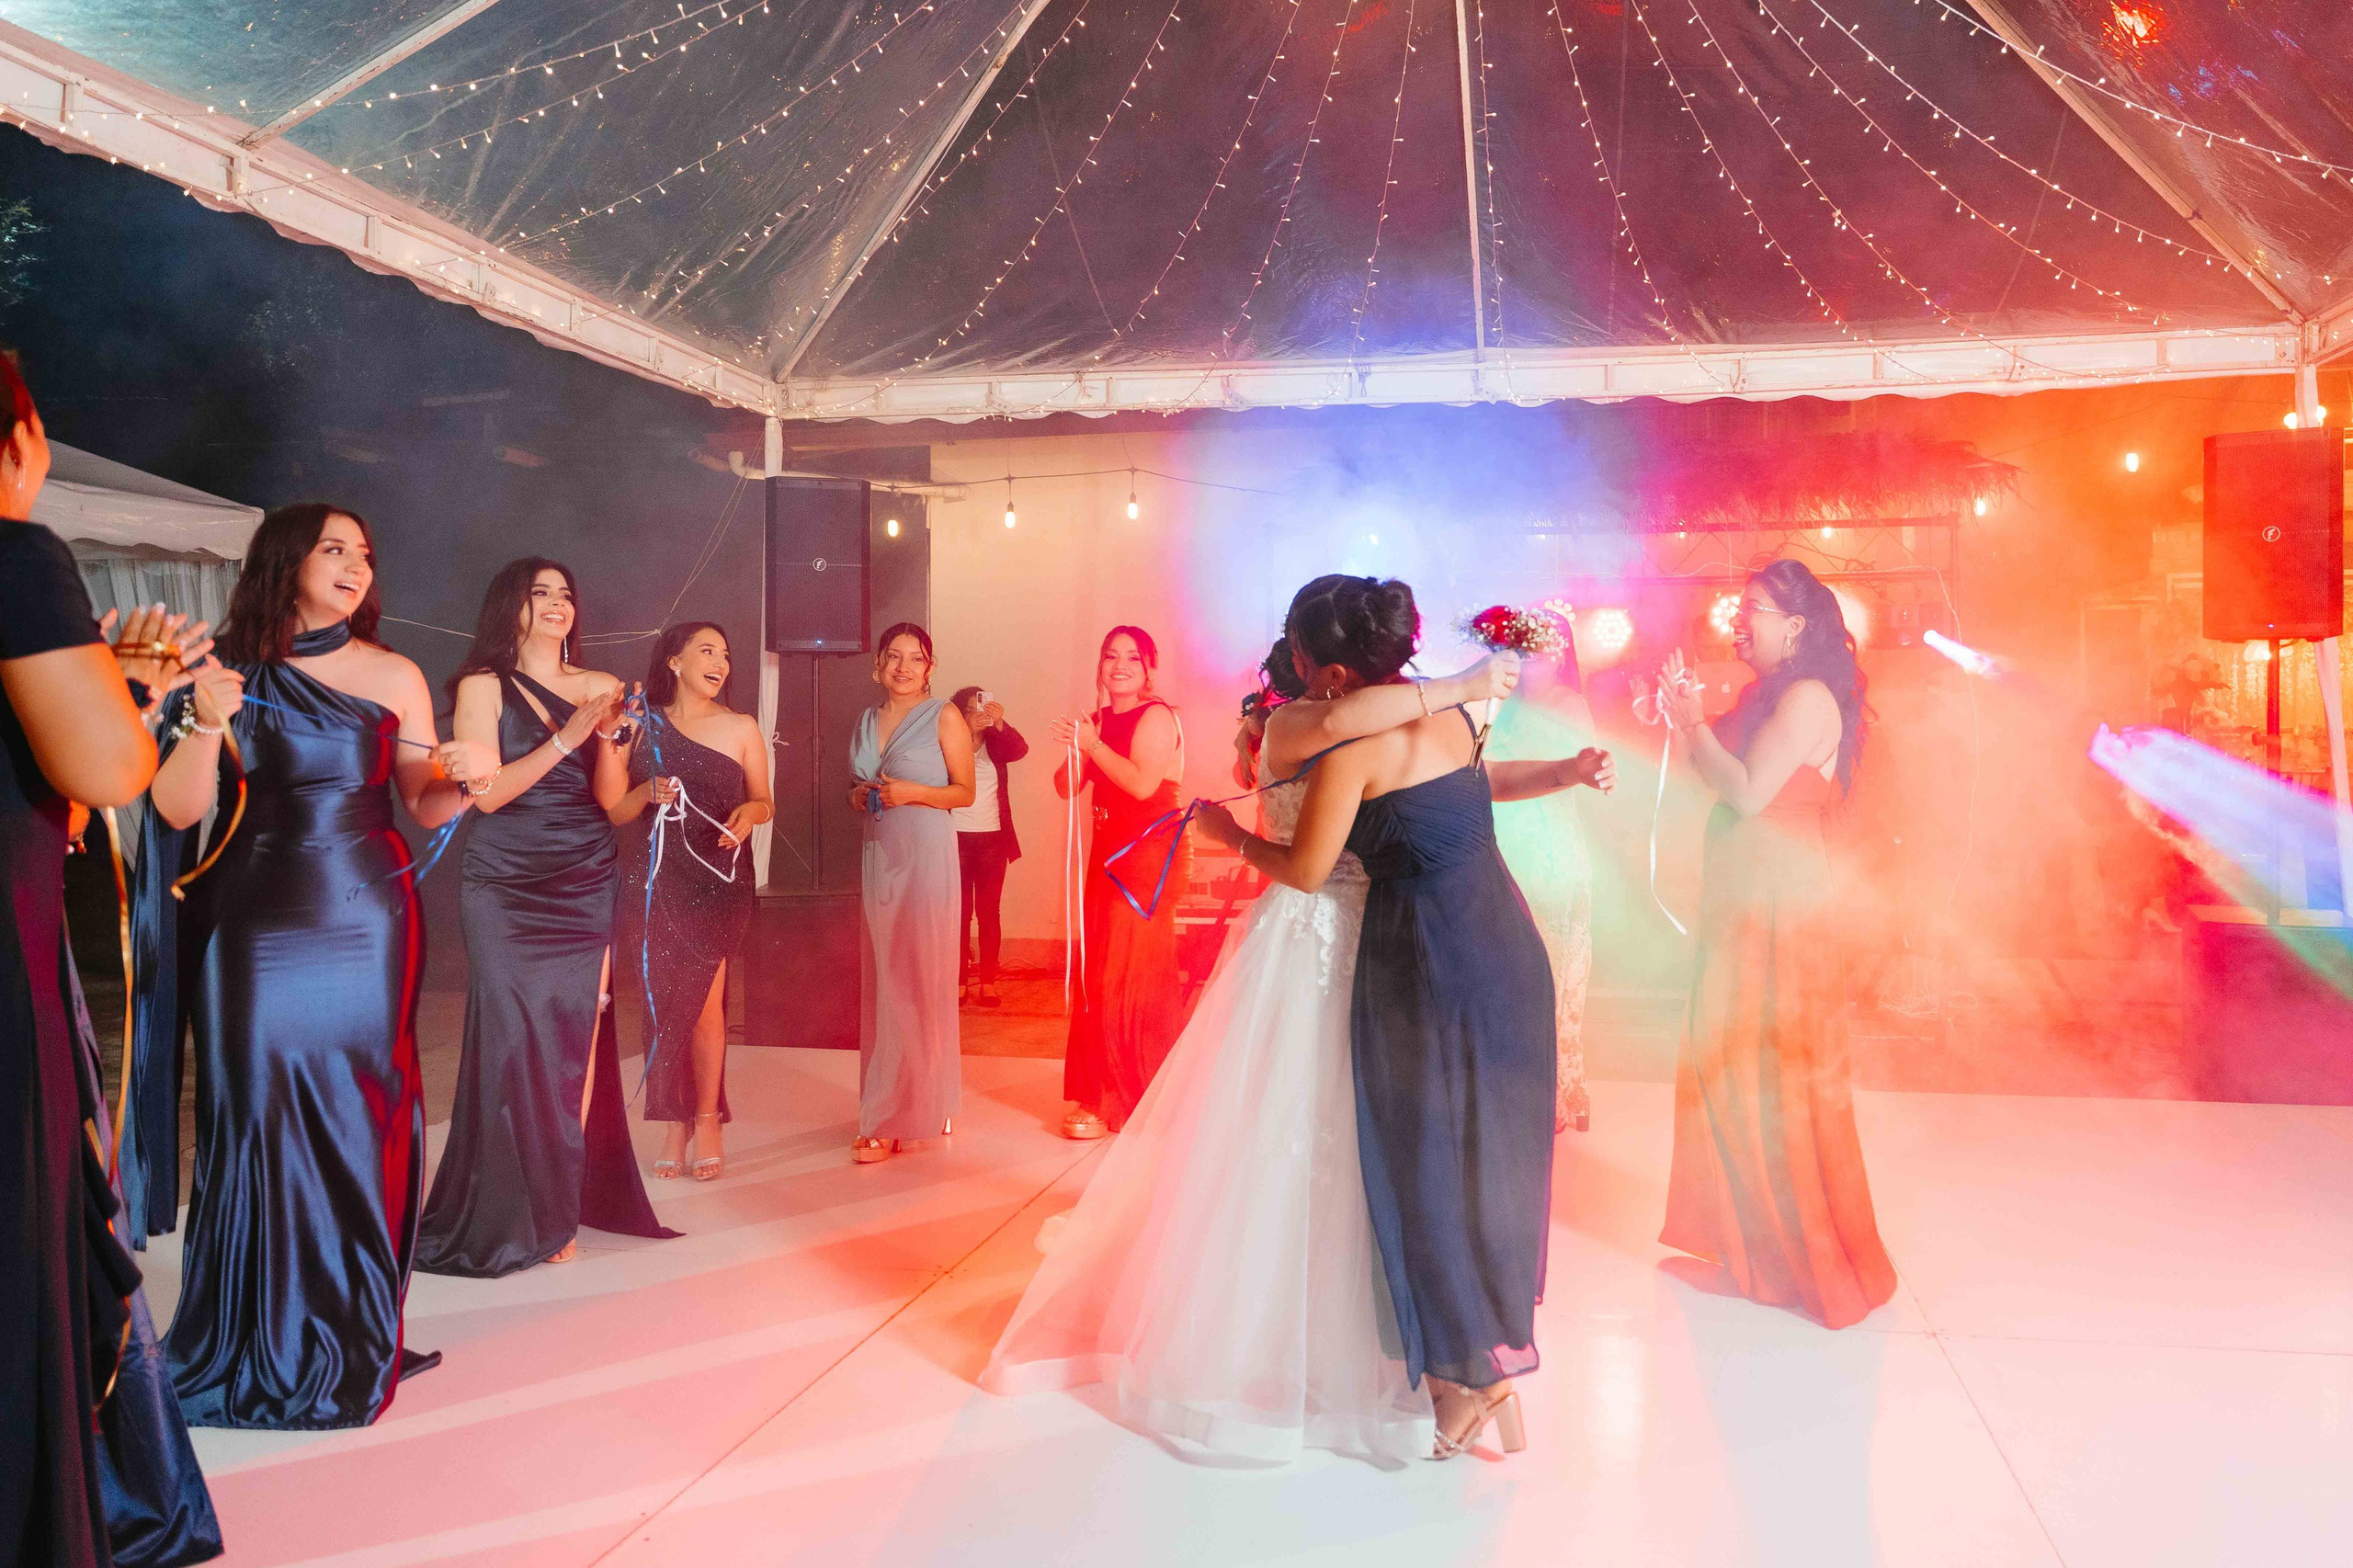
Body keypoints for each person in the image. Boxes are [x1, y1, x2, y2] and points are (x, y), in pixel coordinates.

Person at [985, 606, 1541, 1464]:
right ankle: (1431, 1363)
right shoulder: (1308, 726)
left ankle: (1417, 1360)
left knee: (1330, 1144)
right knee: (1347, 1146)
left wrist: (1226, 834)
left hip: (1350, 939)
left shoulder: (1343, 726)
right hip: (1368, 941)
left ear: (1324, 671)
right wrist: (1465, 691)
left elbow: (1313, 853)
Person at [1191, 575, 1612, 1459]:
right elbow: (1480, 783)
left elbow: (1307, 870)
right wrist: (1569, 773)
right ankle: (1483, 1360)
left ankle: (1474, 1379)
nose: (1296, 673)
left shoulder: (1352, 755)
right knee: (1483, 1166)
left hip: (1424, 959)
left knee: (1421, 1168)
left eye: (1302, 658)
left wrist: (1226, 839)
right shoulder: (1455, 721)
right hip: (1505, 947)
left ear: (1335, 673)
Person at [146, 503, 487, 1430]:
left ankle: (348, 1322)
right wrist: (204, 719)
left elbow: (424, 804)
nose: (355, 566)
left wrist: (466, 775)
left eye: (366, 555)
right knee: (250, 1110)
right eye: (334, 548)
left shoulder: (395, 672)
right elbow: (179, 812)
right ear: (284, 558)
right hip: (251, 915)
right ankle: (248, 1334)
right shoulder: (217, 665)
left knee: (356, 1109)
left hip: (366, 912)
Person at [0, 359, 178, 1567]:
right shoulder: (13, 552)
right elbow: (110, 774)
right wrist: (127, 703)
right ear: (21, 434)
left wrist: (124, 687)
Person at [1654, 558, 1897, 1329]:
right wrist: (1682, 719)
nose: (1738, 619)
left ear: (1796, 626)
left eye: (1754, 608)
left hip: (1775, 913)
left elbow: (1747, 794)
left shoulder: (1805, 697)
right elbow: (1718, 778)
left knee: (1763, 1075)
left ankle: (1782, 1260)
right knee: (1733, 1066)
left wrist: (1691, 722)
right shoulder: (1774, 696)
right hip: (1750, 905)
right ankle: (1750, 1249)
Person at [415, 559, 673, 1278]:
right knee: (512, 1037)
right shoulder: (482, 686)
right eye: (541, 593)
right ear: (513, 606)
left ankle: (558, 1206)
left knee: (577, 1033)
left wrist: (616, 747)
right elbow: (487, 796)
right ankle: (506, 1205)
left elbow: (606, 798)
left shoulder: (599, 686)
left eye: (567, 593)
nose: (559, 604)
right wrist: (567, 737)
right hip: (504, 877)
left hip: (584, 871)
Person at [596, 621, 768, 1182]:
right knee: (664, 1005)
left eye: (725, 653)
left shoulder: (742, 727)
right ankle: (674, 1123)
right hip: (655, 882)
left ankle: (706, 1117)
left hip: (717, 880)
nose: (720, 662)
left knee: (703, 1006)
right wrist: (647, 791)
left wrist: (750, 815)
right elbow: (616, 810)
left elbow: (764, 801)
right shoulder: (641, 726)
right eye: (706, 651)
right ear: (674, 661)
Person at [1051, 626, 1189, 1139]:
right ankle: (1099, 1091)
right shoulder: (1099, 721)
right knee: (1099, 971)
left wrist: (1092, 743)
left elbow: (1141, 783)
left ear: (1149, 668)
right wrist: (1078, 746)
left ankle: (1124, 1097)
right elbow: (1066, 787)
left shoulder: (1156, 715)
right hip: (1107, 855)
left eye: (1132, 656)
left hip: (1145, 857)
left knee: (1127, 975)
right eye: (1111, 655)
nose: (1120, 665)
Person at [848, 624, 972, 1163]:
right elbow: (855, 791)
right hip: (881, 854)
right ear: (878, 664)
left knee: (922, 977)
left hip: (927, 854)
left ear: (930, 666)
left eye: (915, 658)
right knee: (885, 979)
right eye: (893, 657)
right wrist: (862, 796)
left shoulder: (944, 714)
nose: (903, 667)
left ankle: (903, 1114)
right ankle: (904, 1101)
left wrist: (913, 793)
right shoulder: (866, 720)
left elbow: (963, 792)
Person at [1484, 631, 1601, 1132]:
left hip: (1551, 848)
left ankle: (1557, 1092)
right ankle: (1509, 1087)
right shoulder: (1496, 704)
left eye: (1548, 651)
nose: (1536, 661)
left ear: (1562, 657)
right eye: (1528, 650)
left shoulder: (1570, 705)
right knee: (1506, 970)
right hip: (1502, 844)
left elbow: (1588, 774)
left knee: (1555, 971)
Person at [949, 685, 1027, 1008]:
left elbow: (1020, 749)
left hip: (994, 838)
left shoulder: (996, 743)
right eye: (970, 708)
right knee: (960, 914)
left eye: (982, 705)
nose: (978, 712)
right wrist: (965, 733)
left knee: (989, 913)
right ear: (959, 713)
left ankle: (989, 983)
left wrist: (999, 724)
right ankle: (959, 983)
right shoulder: (949, 743)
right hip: (955, 837)